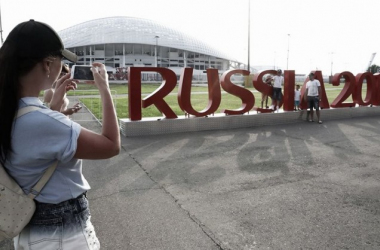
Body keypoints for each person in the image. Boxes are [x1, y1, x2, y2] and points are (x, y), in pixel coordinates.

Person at [0, 20, 120, 249]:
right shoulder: (42, 121)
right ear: (47, 64)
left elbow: (36, 142)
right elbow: (111, 145)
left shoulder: (12, 111)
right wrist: (104, 88)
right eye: (60, 61)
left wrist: (54, 108)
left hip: (29, 229)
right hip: (64, 232)